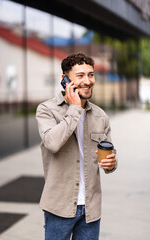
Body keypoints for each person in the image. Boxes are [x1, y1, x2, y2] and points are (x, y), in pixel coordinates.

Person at [36, 52, 117, 240]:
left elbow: (110, 157)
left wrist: (112, 163)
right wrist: (74, 109)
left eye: (91, 74)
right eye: (80, 76)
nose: (87, 81)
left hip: (91, 209)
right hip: (59, 207)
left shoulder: (100, 116)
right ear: (65, 80)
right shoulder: (47, 110)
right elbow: (53, 144)